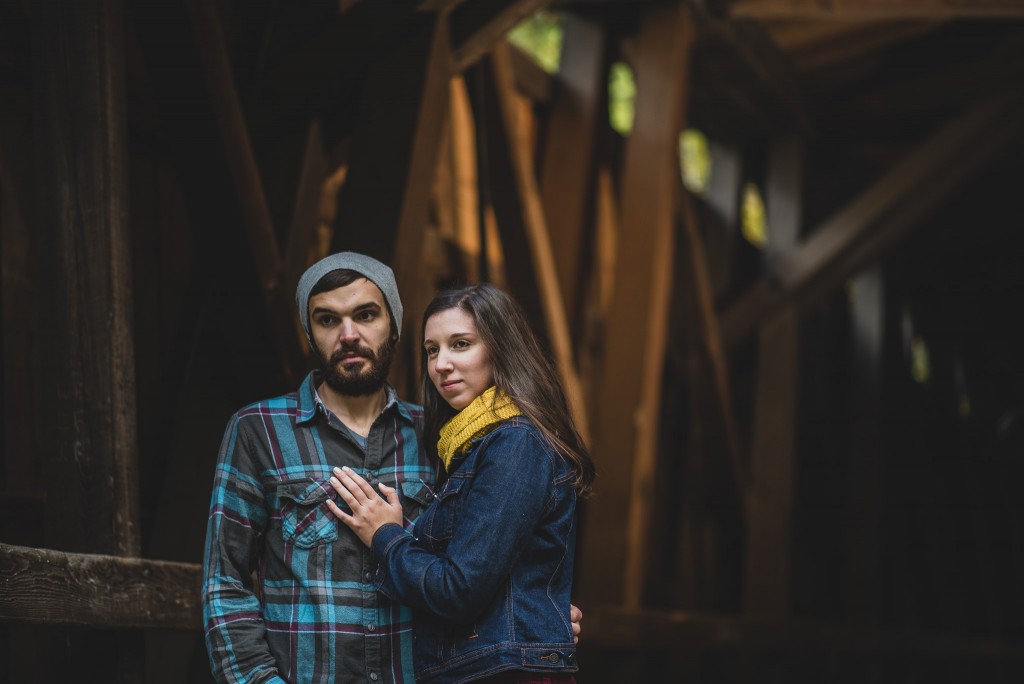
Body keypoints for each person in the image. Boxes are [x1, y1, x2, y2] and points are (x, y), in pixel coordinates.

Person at [202, 253, 581, 684]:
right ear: (310, 334)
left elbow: (480, 559)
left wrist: (536, 614)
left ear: (394, 325)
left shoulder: (440, 437)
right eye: (327, 320)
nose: (348, 335)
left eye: (365, 315)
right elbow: (225, 585)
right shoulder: (259, 431)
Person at [326, 283, 595, 683]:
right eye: (432, 350)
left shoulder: (515, 443)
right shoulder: (467, 446)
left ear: (501, 349)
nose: (441, 364)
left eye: (461, 344)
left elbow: (458, 589)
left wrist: (385, 535)